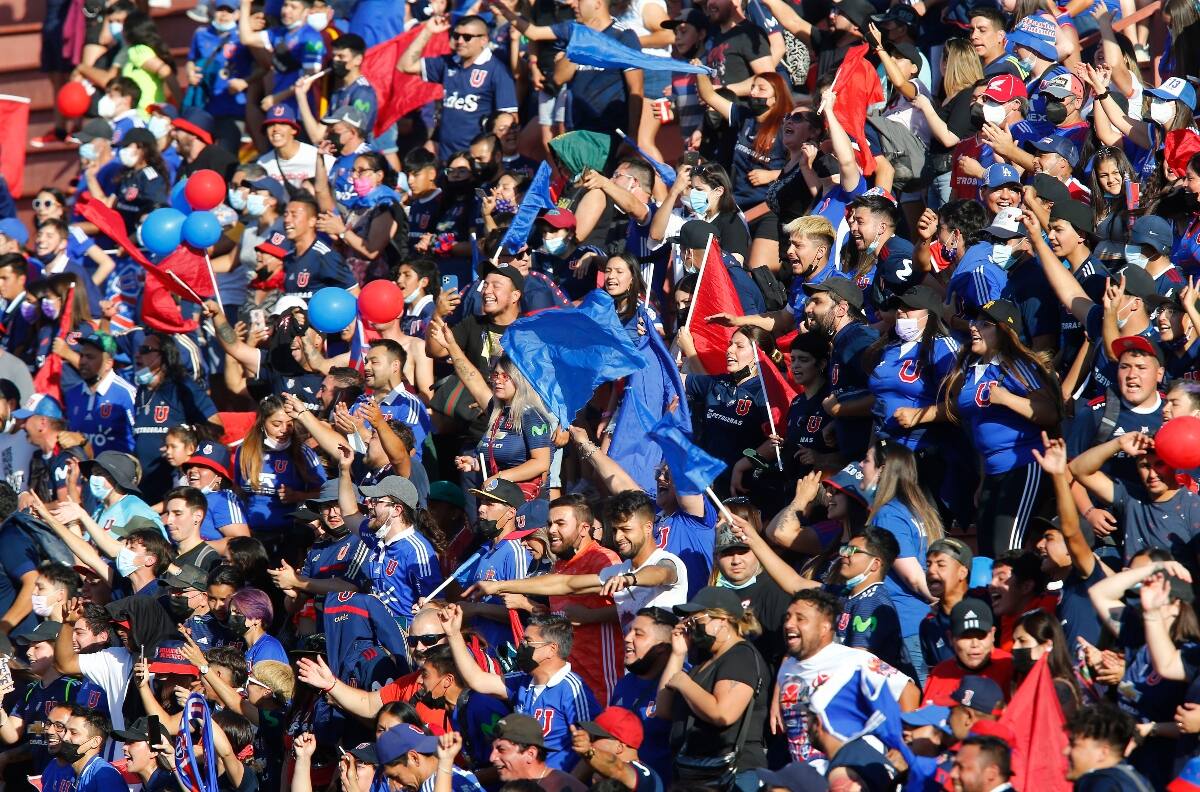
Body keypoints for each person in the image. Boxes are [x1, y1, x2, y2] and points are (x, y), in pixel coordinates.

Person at [439, 604, 599, 771]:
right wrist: (453, 634)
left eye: (527, 641)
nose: (520, 646)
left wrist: (571, 785)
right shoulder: (522, 681)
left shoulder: (573, 690)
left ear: (551, 649)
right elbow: (477, 679)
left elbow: (593, 745)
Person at [655, 586, 769, 788]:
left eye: (697, 620)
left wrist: (684, 683)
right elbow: (664, 709)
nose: (690, 626)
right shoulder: (705, 661)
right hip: (694, 773)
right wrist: (678, 654)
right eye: (688, 621)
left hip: (732, 775)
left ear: (722, 620)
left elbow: (723, 713)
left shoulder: (740, 656)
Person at [922, 598, 1014, 707]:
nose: (975, 644)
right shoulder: (940, 673)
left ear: (993, 635)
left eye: (981, 636)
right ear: (950, 638)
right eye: (966, 637)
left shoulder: (1010, 668)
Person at [571, 706, 663, 791]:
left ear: (619, 747)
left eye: (594, 737)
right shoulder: (597, 766)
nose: (590, 742)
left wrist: (589, 752)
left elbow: (618, 769)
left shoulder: (644, 774)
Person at [1065, 703, 1154, 790]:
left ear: (1103, 753)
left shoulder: (1101, 784)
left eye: (1074, 745)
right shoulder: (1137, 780)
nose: (1065, 751)